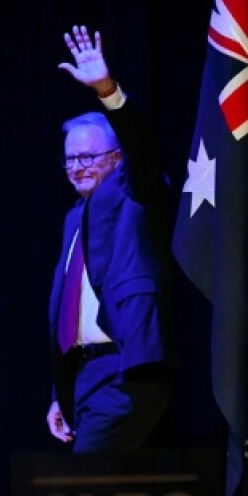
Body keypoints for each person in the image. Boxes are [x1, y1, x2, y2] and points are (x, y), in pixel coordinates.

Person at [46, 25, 175, 454]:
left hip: (127, 368)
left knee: (84, 483)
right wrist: (60, 393)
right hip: (85, 377)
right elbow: (72, 311)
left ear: (116, 159)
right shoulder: (73, 218)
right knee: (113, 489)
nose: (77, 167)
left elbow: (142, 150)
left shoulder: (133, 194)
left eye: (88, 156)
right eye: (70, 159)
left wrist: (107, 90)